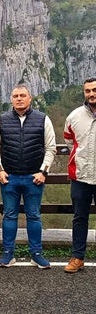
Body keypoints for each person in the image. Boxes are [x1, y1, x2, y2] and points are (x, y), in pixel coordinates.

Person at [0, 84, 56, 269]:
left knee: (33, 216)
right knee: (9, 215)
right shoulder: (2, 120)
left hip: (33, 177)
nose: (19, 99)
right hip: (9, 177)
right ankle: (8, 253)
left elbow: (51, 148)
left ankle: (36, 254)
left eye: (22, 95)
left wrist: (44, 171)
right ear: (11, 99)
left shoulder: (43, 119)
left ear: (30, 98)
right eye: (16, 96)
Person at [63, 77, 96, 273]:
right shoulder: (74, 116)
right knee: (80, 218)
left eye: (94, 90)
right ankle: (77, 257)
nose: (91, 94)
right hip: (81, 177)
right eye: (88, 91)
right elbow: (68, 140)